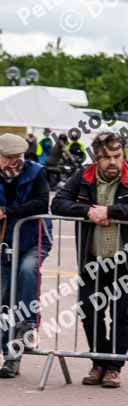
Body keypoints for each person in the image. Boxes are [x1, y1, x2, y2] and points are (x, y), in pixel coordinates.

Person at [51, 132, 128, 388]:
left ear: (124, 155)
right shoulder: (83, 176)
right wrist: (87, 211)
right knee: (90, 311)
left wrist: (110, 211)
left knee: (122, 314)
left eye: (117, 156)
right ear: (96, 157)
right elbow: (58, 203)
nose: (112, 162)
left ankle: (114, 367)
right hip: (93, 259)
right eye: (106, 157)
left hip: (127, 261)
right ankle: (99, 362)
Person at [0, 134, 52, 378]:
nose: (13, 162)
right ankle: (10, 358)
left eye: (17, 157)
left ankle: (28, 323)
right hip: (4, 244)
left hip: (34, 240)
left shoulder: (36, 172)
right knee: (3, 300)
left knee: (27, 270)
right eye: (8, 157)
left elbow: (42, 203)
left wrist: (8, 212)